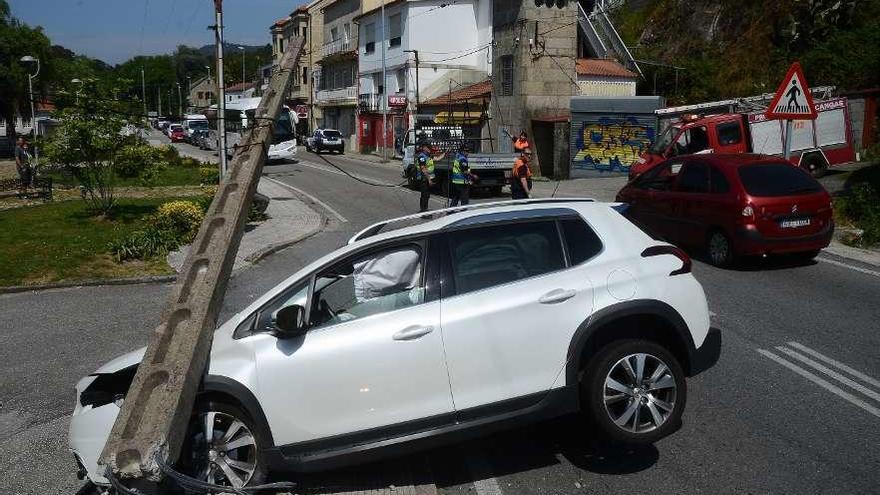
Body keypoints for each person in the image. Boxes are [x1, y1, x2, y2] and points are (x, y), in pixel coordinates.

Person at [416, 142, 436, 212]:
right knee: (424, 195)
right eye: (429, 148)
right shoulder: (422, 157)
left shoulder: (428, 156)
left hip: (426, 179)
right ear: (424, 148)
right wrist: (429, 180)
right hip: (423, 179)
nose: (430, 149)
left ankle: (425, 209)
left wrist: (445, 153)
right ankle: (423, 210)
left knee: (427, 195)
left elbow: (437, 158)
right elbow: (423, 169)